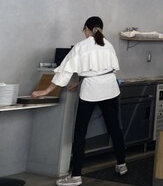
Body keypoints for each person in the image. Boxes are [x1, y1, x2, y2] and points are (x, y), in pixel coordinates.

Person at [31, 16, 127, 186]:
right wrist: (81, 81)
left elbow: (64, 72)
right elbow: (105, 70)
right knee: (114, 128)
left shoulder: (81, 46)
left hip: (91, 92)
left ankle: (76, 176)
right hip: (110, 89)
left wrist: (45, 91)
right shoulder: (108, 45)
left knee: (80, 133)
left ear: (86, 29)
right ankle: (122, 164)